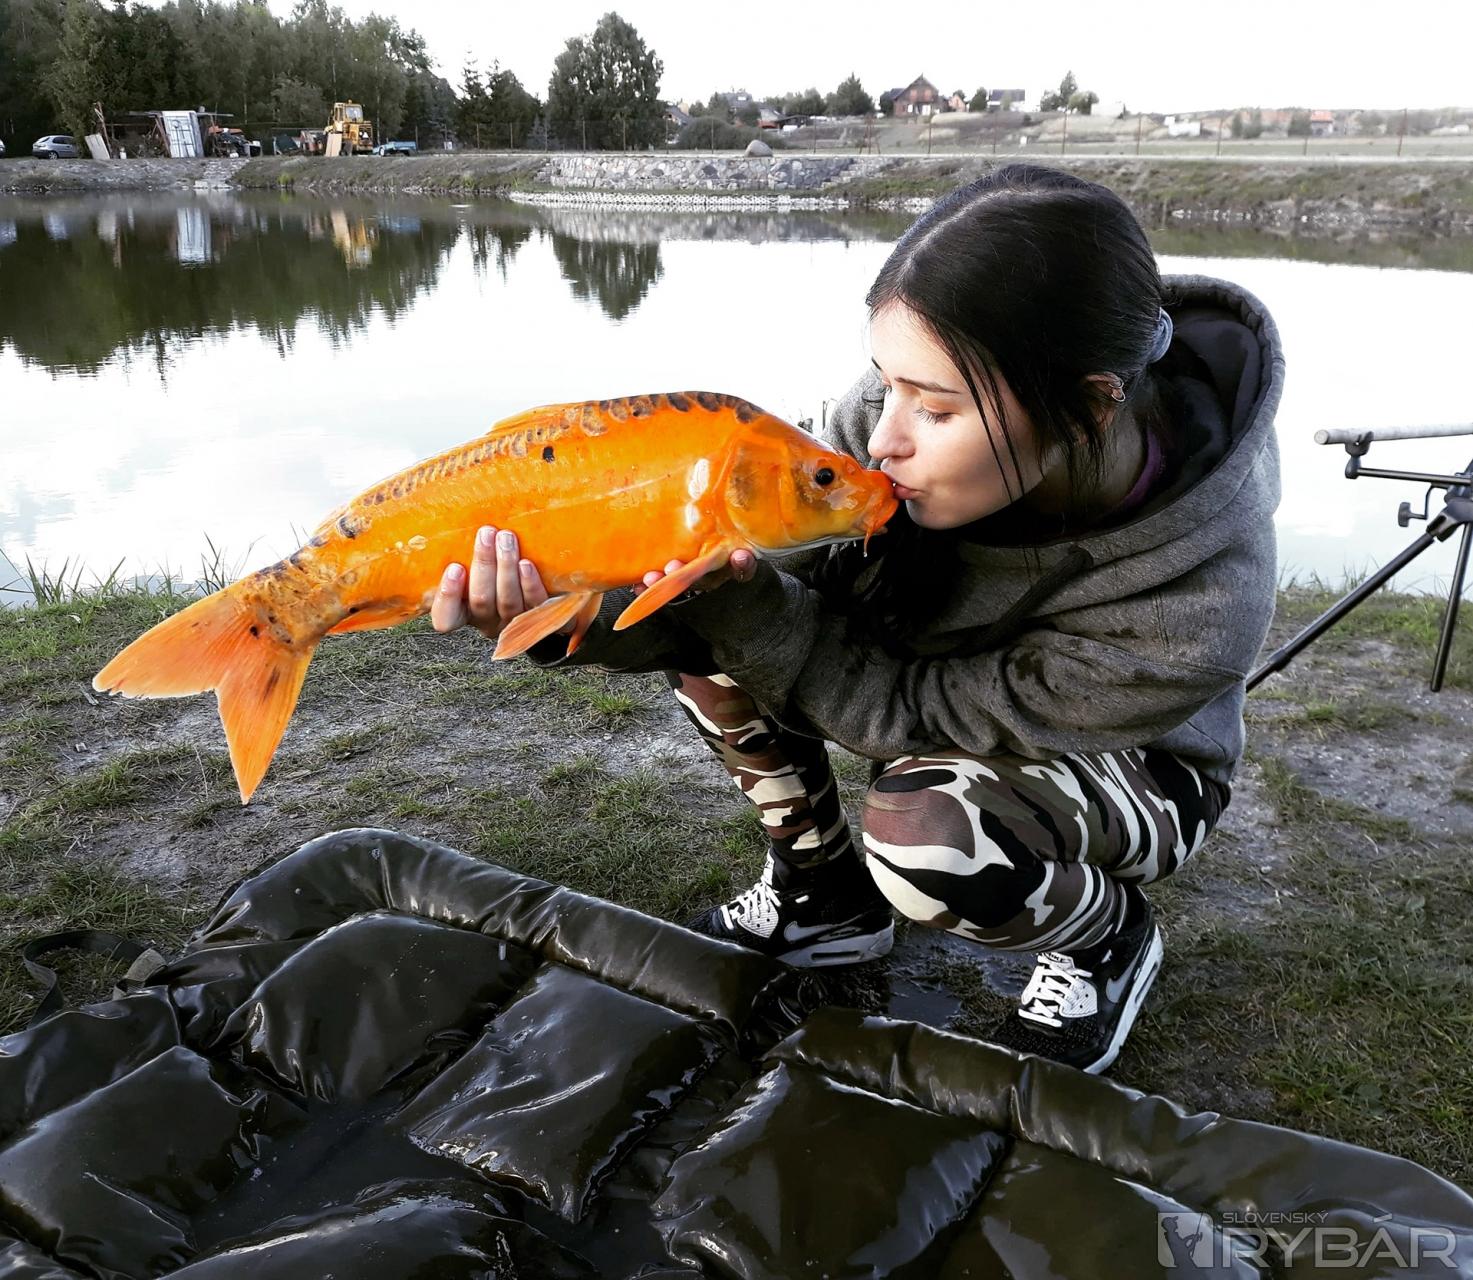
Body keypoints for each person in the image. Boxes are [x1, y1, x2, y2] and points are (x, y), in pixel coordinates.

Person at [430, 163, 1283, 1075]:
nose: (881, 439)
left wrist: (753, 613)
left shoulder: (1201, 599)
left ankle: (1105, 937)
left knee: (929, 833)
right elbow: (738, 599)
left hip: (1134, 764)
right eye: (887, 383)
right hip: (925, 689)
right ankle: (823, 901)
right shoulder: (885, 428)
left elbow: (919, 715)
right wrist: (564, 615)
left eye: (935, 408)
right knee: (719, 612)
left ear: (1086, 406)